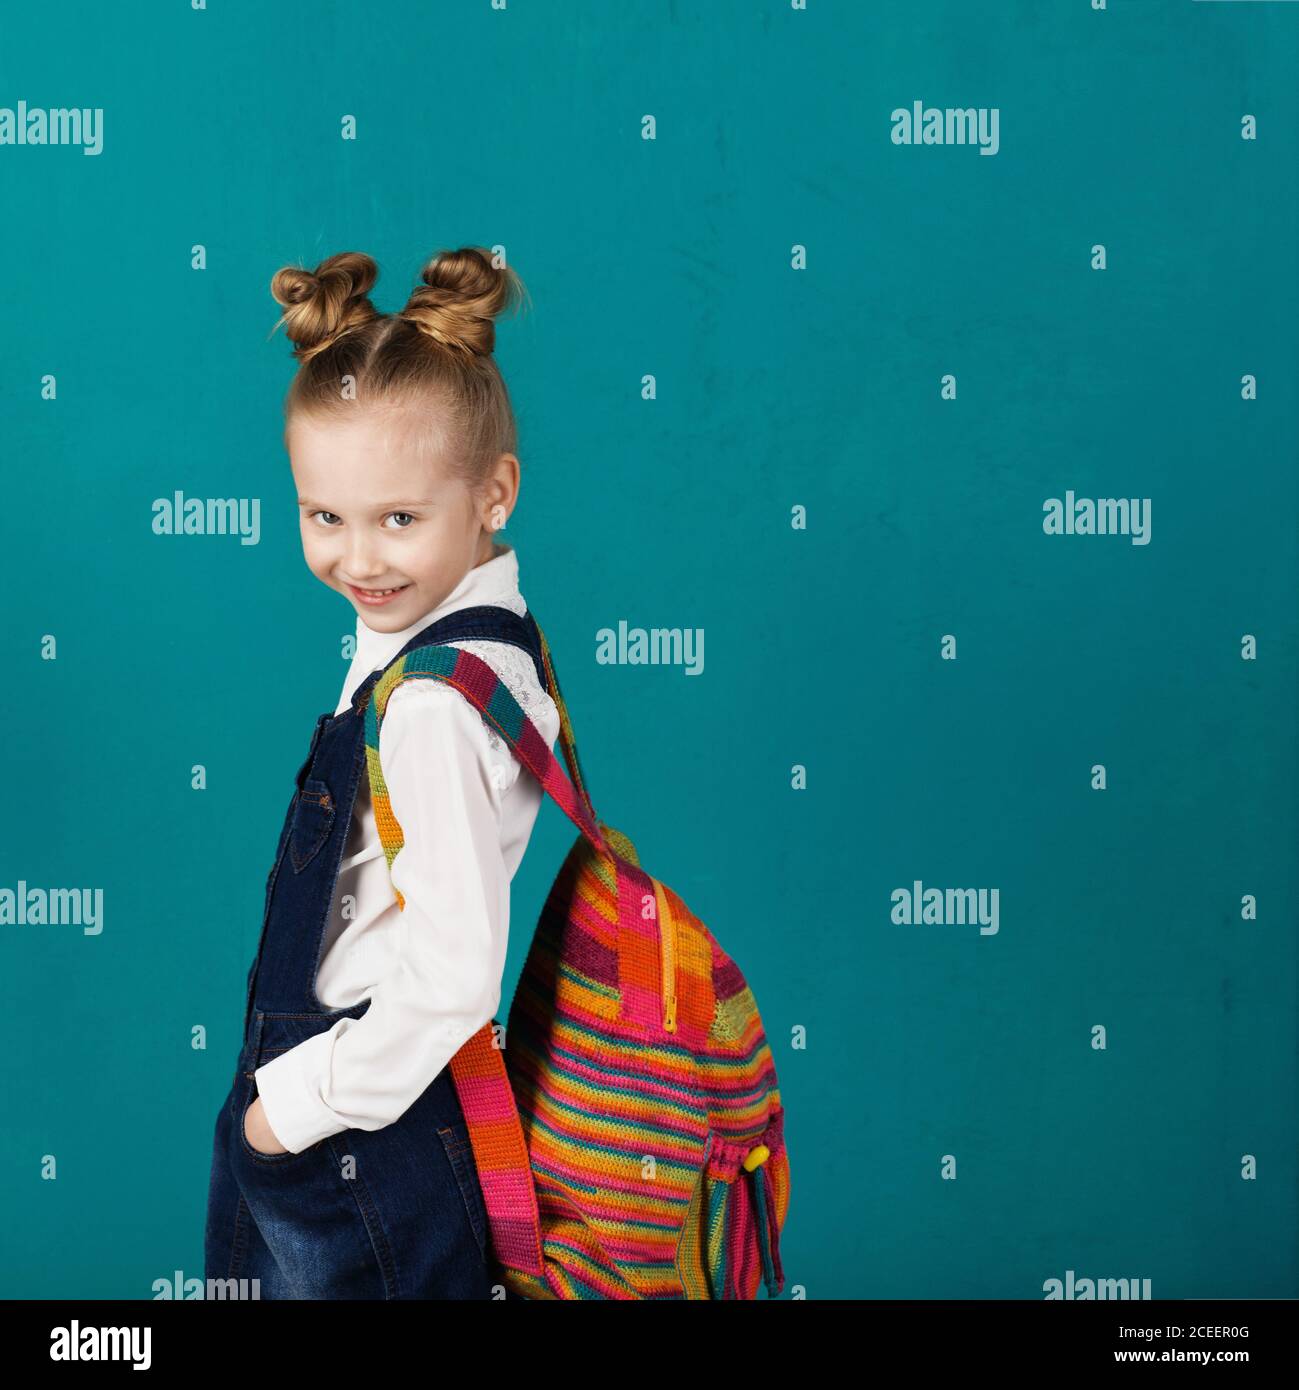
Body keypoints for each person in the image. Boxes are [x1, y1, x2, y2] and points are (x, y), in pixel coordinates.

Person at [204, 246, 559, 1298]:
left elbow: (451, 975)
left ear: (494, 491)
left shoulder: (434, 709)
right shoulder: (467, 640)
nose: (358, 559)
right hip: (359, 1102)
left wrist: (290, 1111)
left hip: (361, 1118)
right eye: (325, 517)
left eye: (399, 518)